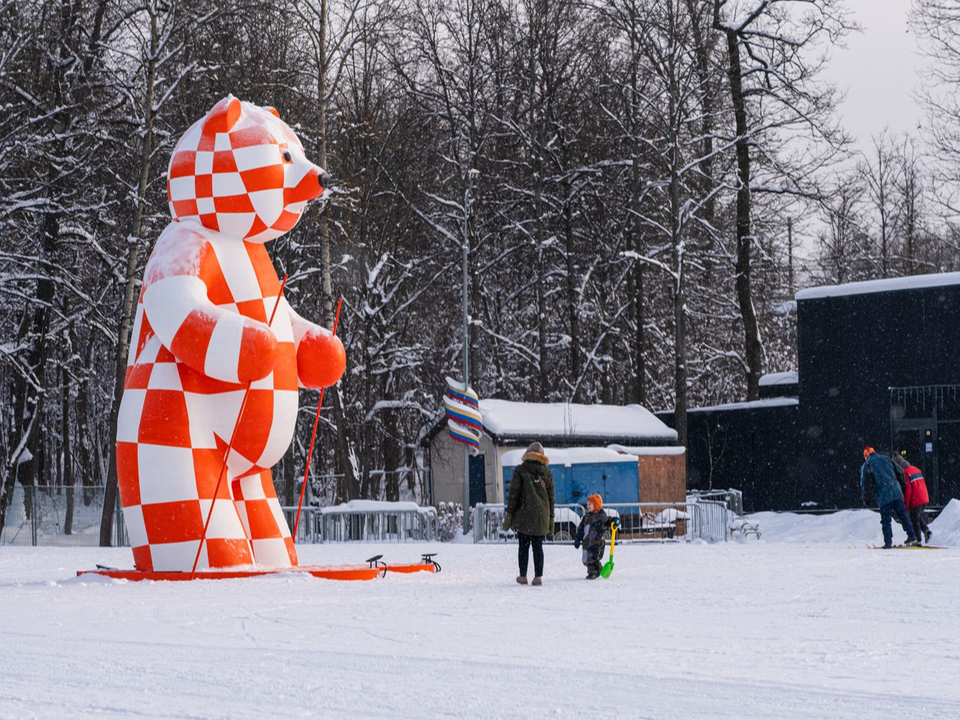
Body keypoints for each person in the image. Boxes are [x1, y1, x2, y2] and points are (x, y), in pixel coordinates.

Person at [504, 441, 555, 586]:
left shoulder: (520, 470)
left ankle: (523, 576)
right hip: (541, 515)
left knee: (523, 546)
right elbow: (551, 498)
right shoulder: (548, 473)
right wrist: (550, 518)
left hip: (524, 513)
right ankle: (538, 577)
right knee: (538, 547)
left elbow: (513, 494)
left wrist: (509, 515)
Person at [860, 446, 919, 548]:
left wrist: (866, 498)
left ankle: (888, 542)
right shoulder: (887, 459)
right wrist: (902, 487)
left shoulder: (868, 464)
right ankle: (912, 535)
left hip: (884, 494)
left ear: (866, 456)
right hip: (896, 491)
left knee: (886, 519)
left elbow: (865, 483)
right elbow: (900, 472)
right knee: (903, 514)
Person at [574, 494, 619, 579]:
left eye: (590, 504)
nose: (588, 506)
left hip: (597, 542)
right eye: (587, 504)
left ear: (596, 505)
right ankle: (599, 569)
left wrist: (614, 521)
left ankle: (592, 573)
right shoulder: (586, 517)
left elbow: (608, 521)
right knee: (585, 559)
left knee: (591, 558)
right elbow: (580, 528)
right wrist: (577, 537)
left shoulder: (601, 516)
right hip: (587, 542)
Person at [892, 454, 932, 545]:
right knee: (917, 516)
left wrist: (905, 504)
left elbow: (908, 490)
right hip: (924, 497)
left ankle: (918, 540)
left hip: (916, 499)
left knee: (914, 519)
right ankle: (927, 531)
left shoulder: (905, 472)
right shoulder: (916, 469)